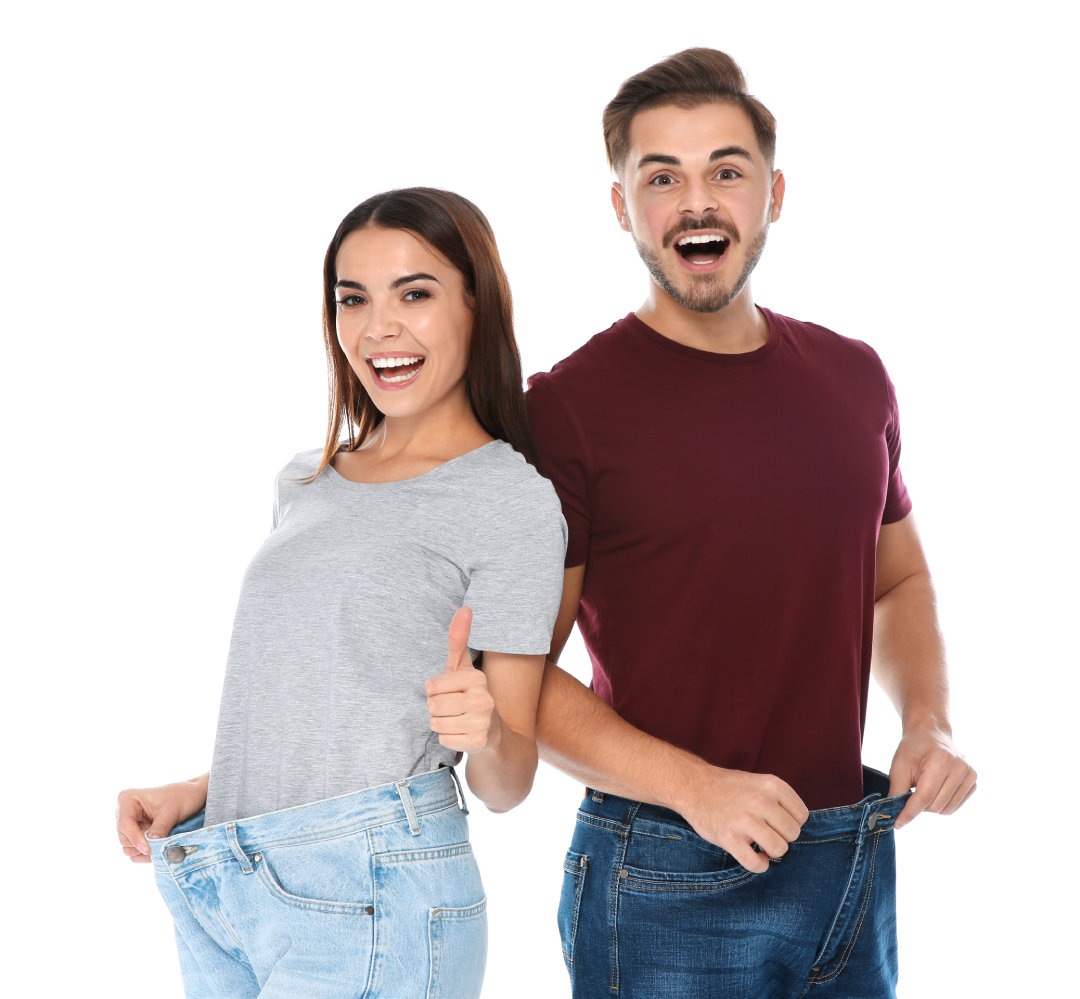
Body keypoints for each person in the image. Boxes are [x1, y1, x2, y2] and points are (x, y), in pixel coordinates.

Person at [526, 49, 977, 998]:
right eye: (663, 177)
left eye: (726, 171)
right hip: (665, 872)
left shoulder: (856, 379)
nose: (698, 202)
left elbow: (896, 580)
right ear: (621, 208)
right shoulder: (567, 409)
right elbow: (516, 679)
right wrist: (696, 786)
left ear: (774, 192)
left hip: (849, 857)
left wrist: (926, 721)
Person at [115, 188, 566, 999]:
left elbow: (510, 781)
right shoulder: (307, 480)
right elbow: (322, 708)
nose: (377, 328)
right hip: (230, 879)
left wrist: (490, 730)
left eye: (414, 294)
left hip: (374, 893)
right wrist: (202, 790)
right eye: (351, 299)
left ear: (478, 302)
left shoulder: (512, 500)